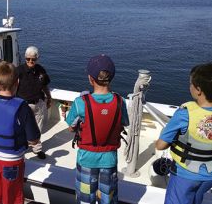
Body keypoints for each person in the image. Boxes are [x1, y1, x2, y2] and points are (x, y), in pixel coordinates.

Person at [156, 63, 212, 204]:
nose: (190, 87)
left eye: (191, 84)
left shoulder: (185, 114)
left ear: (198, 90)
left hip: (184, 174)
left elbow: (160, 145)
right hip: (210, 175)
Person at [66, 54, 129, 204]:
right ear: (111, 78)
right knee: (107, 199)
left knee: (86, 198)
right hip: (109, 159)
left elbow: (71, 128)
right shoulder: (120, 102)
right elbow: (124, 123)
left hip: (86, 159)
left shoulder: (80, 102)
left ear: (90, 79)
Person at [0, 61, 41, 204]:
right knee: (11, 195)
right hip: (11, 161)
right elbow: (33, 139)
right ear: (17, 82)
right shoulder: (22, 107)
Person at [16, 46, 51, 159]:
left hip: (38, 103)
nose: (30, 61)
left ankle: (37, 149)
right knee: (20, 128)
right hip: (23, 104)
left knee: (38, 128)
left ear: (37, 58)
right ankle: (22, 147)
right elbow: (13, 88)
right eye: (28, 59)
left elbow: (45, 85)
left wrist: (49, 97)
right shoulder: (18, 71)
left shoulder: (41, 70)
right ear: (25, 58)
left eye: (33, 59)